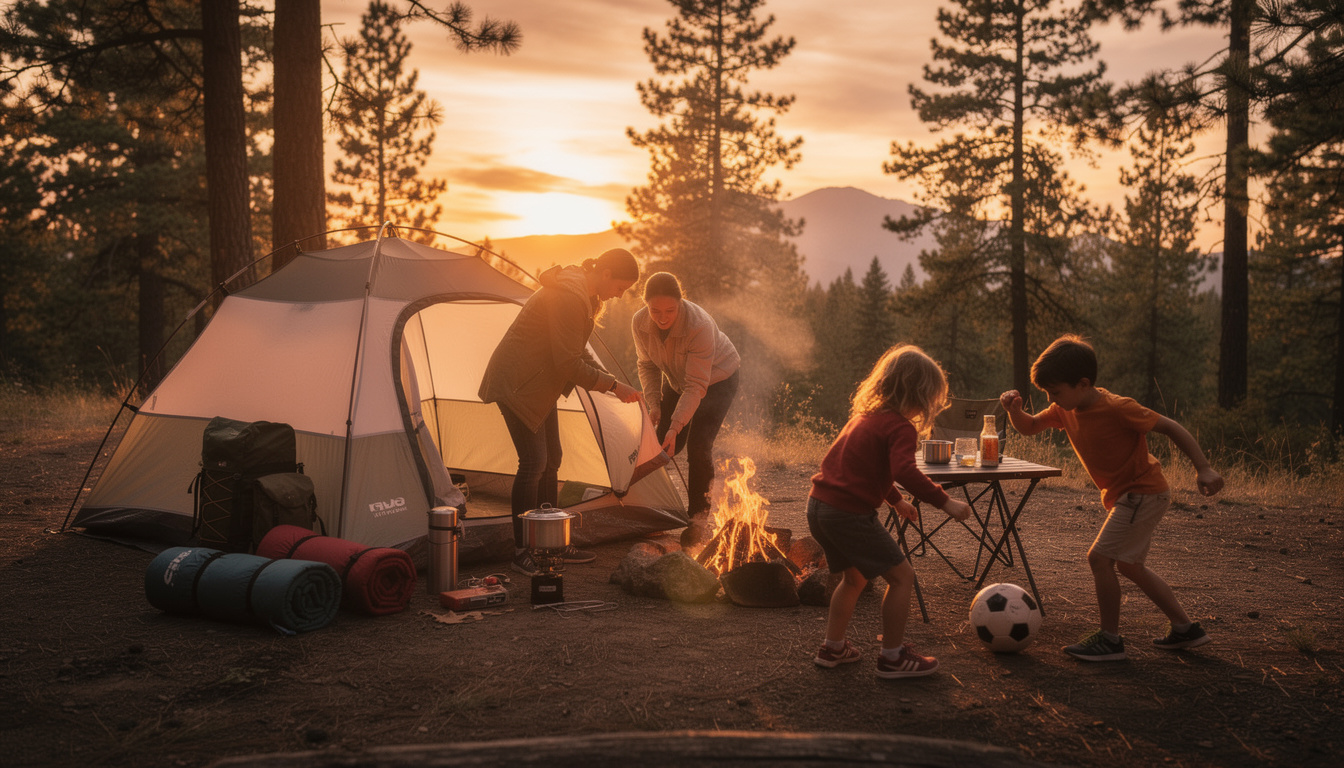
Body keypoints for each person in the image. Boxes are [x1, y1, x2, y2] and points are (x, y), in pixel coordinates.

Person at [999, 334, 1224, 662]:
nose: (1051, 399)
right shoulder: (1065, 408)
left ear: (1083, 383)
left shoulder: (1118, 407)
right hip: (1129, 496)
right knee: (1130, 566)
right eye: (1048, 393)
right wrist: (1014, 411)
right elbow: (1030, 427)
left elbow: (1172, 427)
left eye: (1055, 392)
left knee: (1100, 559)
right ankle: (1185, 629)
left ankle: (1109, 640)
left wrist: (1203, 468)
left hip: (1142, 492)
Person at [807, 344, 972, 679]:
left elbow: (865, 470)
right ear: (921, 394)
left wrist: (896, 501)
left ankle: (832, 647)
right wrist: (946, 502)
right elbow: (904, 470)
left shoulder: (863, 419)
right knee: (902, 577)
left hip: (820, 507)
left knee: (854, 578)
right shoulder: (900, 427)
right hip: (848, 514)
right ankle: (893, 657)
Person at [478, 248, 644, 576]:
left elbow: (577, 351)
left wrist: (613, 382)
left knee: (552, 458)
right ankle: (522, 550)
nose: (618, 295)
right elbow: (568, 363)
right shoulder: (570, 296)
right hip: (517, 384)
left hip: (536, 385)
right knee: (534, 462)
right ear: (606, 273)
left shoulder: (582, 295)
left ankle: (550, 541)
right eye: (620, 287)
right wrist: (612, 386)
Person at [631, 272, 741, 545]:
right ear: (646, 304)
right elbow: (646, 365)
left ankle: (697, 520)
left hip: (716, 380)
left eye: (670, 310)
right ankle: (644, 509)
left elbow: (696, 386)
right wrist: (654, 404)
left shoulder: (699, 325)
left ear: (680, 303)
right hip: (678, 380)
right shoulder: (639, 322)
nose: (662, 317)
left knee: (698, 446)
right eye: (655, 310)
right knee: (660, 444)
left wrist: (676, 425)